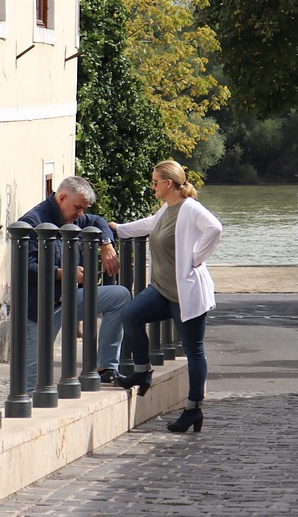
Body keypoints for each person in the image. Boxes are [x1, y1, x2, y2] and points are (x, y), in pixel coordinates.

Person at [109, 160, 222, 434]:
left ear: (168, 184)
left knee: (193, 350)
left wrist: (196, 258)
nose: (153, 186)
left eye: (155, 182)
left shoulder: (191, 208)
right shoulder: (167, 209)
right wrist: (117, 229)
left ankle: (193, 409)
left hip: (186, 294)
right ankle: (143, 370)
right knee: (130, 315)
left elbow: (215, 229)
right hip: (161, 289)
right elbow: (149, 225)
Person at [19, 176, 130, 393]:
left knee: (120, 296)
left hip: (67, 299)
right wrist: (65, 274)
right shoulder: (33, 222)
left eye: (83, 209)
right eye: (77, 208)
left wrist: (106, 243)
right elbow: (26, 268)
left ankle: (104, 368)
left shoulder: (72, 217)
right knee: (32, 384)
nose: (80, 214)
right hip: (38, 308)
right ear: (61, 198)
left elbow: (98, 221)